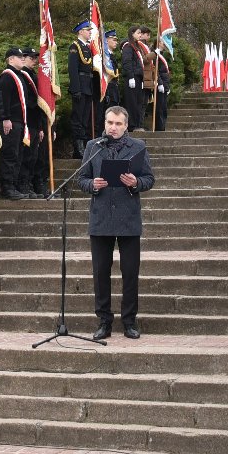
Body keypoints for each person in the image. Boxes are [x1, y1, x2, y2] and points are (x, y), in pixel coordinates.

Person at [75, 106, 157, 341]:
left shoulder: (138, 147)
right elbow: (81, 178)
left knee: (130, 272)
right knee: (101, 273)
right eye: (110, 123)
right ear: (105, 123)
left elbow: (149, 178)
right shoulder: (93, 147)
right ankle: (104, 322)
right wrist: (92, 185)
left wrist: (135, 182)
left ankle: (129, 321)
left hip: (128, 218)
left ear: (126, 125)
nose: (113, 127)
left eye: (118, 124)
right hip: (101, 218)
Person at [0, 45, 34, 199]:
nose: (22, 59)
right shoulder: (7, 76)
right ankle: (7, 187)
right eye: (19, 57)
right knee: (10, 155)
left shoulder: (19, 75)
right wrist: (5, 118)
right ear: (10, 59)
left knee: (18, 155)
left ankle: (15, 185)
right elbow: (2, 99)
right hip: (10, 122)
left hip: (20, 122)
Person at [17, 46, 53, 196]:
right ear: (23, 58)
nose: (35, 60)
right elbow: (27, 101)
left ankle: (35, 184)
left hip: (37, 122)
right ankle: (25, 185)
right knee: (27, 156)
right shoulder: (21, 76)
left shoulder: (34, 75)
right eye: (31, 58)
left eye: (35, 58)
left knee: (36, 156)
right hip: (27, 121)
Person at [67, 21, 102, 157]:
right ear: (80, 31)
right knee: (78, 118)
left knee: (86, 118)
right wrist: (76, 89)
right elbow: (73, 69)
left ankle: (86, 146)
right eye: (87, 30)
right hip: (80, 87)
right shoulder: (75, 47)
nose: (89, 32)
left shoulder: (87, 47)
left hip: (88, 87)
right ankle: (78, 149)